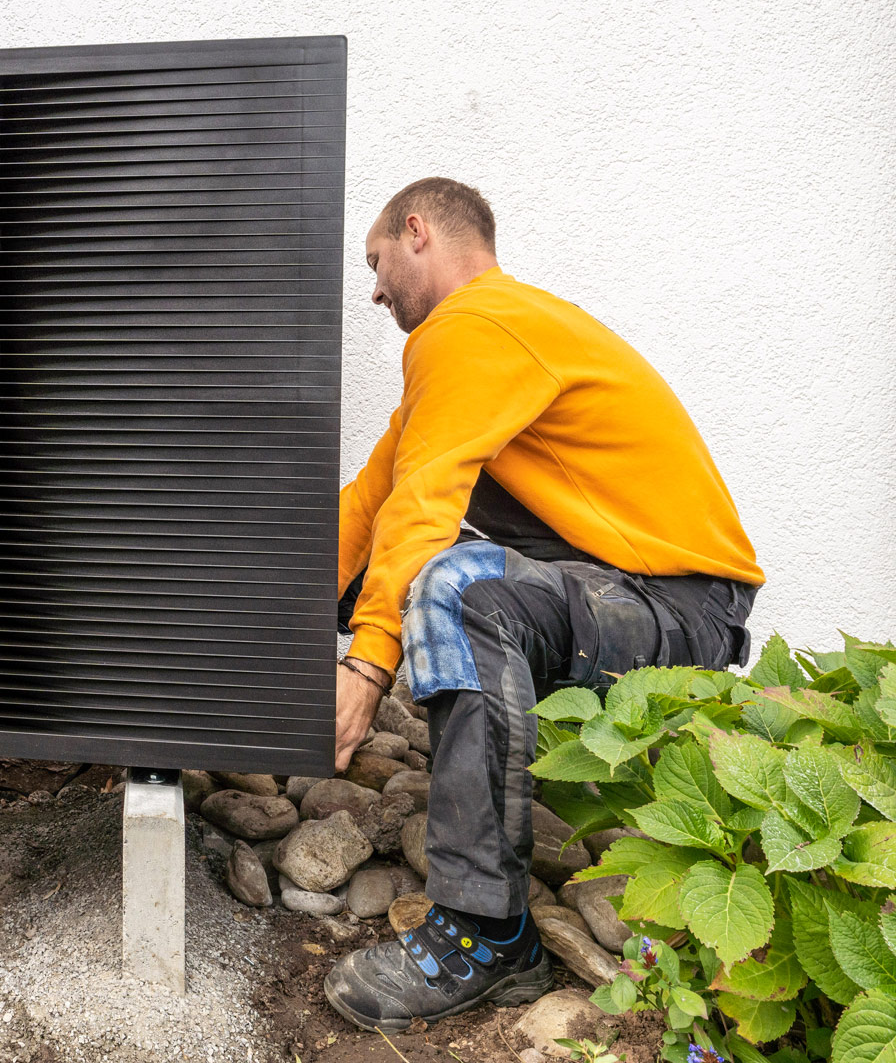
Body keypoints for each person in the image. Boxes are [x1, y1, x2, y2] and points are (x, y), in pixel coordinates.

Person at [322, 178, 763, 1030]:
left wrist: (367, 668)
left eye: (375, 262)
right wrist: (255, 611)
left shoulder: (475, 327)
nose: (373, 289)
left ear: (418, 231)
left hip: (680, 606)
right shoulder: (480, 344)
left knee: (454, 586)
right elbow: (377, 506)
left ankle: (485, 936)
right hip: (612, 584)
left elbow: (425, 506)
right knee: (396, 560)